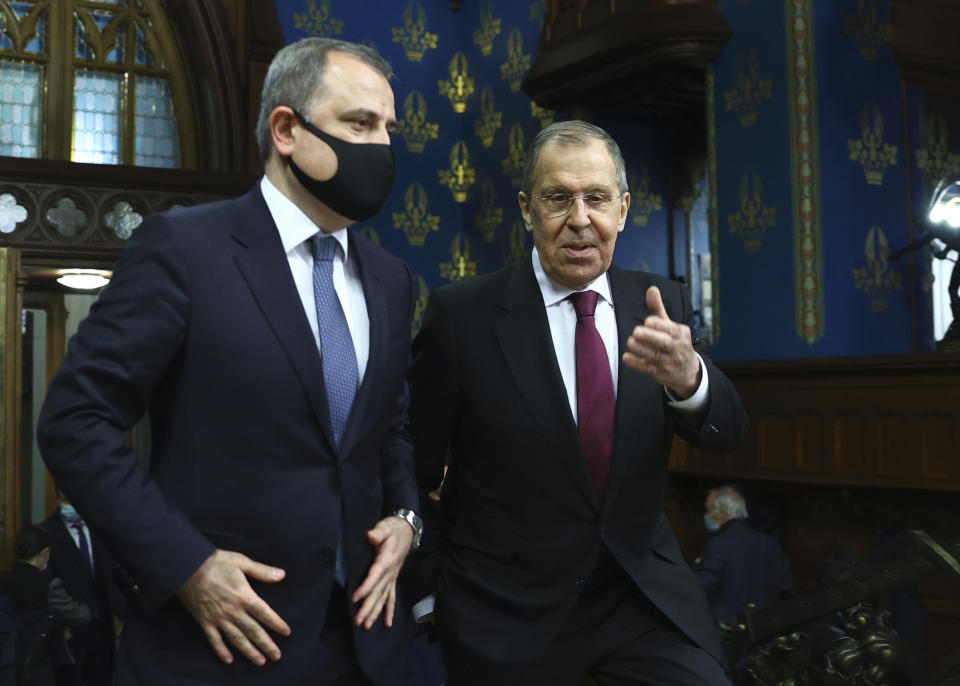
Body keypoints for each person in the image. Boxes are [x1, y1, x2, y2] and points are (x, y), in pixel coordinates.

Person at [37, 37, 421, 686]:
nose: (382, 146)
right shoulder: (185, 250)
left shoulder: (390, 280)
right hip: (216, 647)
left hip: (363, 649)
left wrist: (407, 518)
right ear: (286, 130)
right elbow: (75, 423)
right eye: (360, 124)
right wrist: (184, 564)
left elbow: (391, 430)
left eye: (389, 128)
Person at [409, 120, 749, 686]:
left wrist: (690, 379)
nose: (580, 219)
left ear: (623, 208)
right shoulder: (462, 316)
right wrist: (426, 593)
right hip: (507, 610)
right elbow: (411, 461)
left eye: (596, 198)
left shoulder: (661, 302)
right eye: (557, 198)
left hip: (639, 603)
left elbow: (731, 433)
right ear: (526, 208)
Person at [41, 488, 127, 686]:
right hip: (69, 633)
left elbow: (113, 575)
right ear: (57, 498)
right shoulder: (46, 533)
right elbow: (48, 586)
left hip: (104, 628)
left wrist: (123, 616)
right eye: (65, 497)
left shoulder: (100, 530)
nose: (71, 502)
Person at [692, 486, 795, 626]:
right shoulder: (771, 544)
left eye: (709, 509)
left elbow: (699, 588)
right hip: (765, 631)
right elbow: (787, 588)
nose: (706, 515)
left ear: (722, 512)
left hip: (728, 635)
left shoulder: (717, 545)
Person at [2, 525, 91, 686]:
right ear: (44, 553)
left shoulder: (3, 581)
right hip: (40, 666)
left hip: (8, 665)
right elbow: (80, 615)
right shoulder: (49, 586)